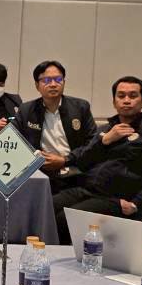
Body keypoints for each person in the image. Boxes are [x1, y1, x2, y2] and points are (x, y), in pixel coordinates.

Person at [52, 76, 142, 241]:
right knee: (46, 208)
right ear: (114, 102)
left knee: (64, 219)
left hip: (116, 200)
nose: (126, 100)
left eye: (133, 96)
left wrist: (137, 203)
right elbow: (83, 162)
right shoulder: (105, 129)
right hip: (87, 189)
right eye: (121, 96)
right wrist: (104, 141)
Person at [16, 60, 98, 189]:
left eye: (58, 79)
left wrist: (65, 160)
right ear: (37, 85)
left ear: (64, 82)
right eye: (47, 80)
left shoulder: (80, 107)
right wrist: (36, 157)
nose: (53, 84)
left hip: (75, 171)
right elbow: (14, 141)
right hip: (40, 173)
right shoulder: (26, 110)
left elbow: (93, 143)